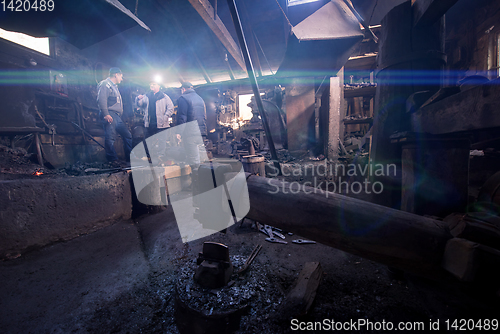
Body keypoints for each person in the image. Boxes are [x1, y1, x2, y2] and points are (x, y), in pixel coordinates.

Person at [97, 67, 133, 163]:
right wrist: (106, 114)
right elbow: (101, 99)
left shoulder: (114, 87)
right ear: (116, 74)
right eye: (121, 76)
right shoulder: (105, 84)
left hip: (116, 116)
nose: (121, 79)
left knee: (127, 135)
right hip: (110, 114)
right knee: (110, 137)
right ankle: (112, 159)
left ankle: (129, 158)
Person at [176, 82, 207, 167]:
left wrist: (179, 132)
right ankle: (198, 176)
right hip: (200, 132)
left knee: (193, 160)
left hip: (190, 133)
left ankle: (196, 179)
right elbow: (204, 116)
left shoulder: (183, 98)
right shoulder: (200, 98)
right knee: (199, 158)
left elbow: (182, 117)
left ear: (183, 89)